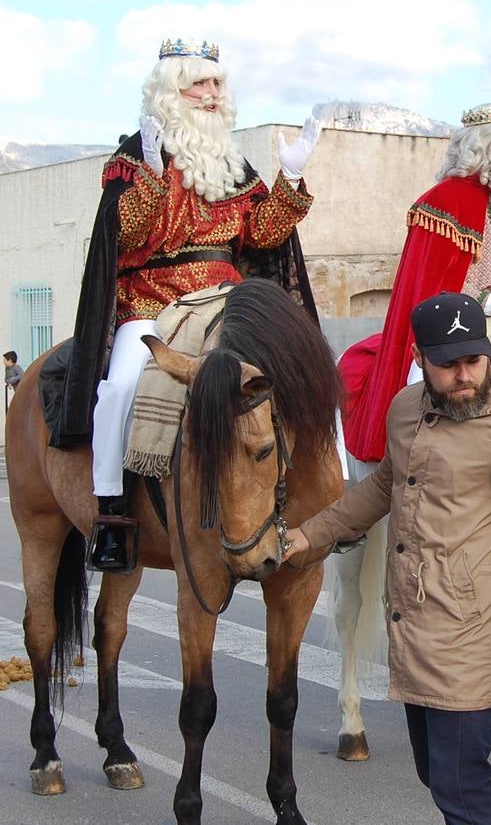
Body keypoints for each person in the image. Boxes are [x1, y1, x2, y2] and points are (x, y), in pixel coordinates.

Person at [285, 292, 491, 825]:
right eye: (448, 363)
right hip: (412, 620)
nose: (464, 375)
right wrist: (310, 535)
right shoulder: (406, 409)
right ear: (420, 359)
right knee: (437, 777)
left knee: (462, 792)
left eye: (473, 360)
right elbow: (383, 488)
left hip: (469, 632)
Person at [58, 38, 323, 572]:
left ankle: (310, 494)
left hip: (224, 300)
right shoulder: (134, 157)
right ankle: (112, 512)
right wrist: (154, 175)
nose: (210, 94)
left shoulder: (231, 163)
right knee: (125, 384)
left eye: (216, 84)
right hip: (152, 304)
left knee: (286, 377)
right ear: (170, 92)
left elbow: (263, 235)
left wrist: (289, 179)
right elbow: (124, 234)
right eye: (198, 84)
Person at [339, 102, 491, 465]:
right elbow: (442, 284)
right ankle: (412, 459)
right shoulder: (443, 203)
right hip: (462, 328)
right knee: (422, 382)